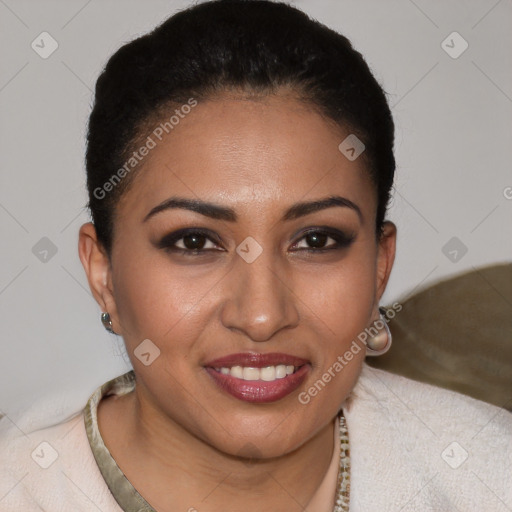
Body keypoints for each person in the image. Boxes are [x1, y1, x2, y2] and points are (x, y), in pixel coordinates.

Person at [1, 1, 510, 511]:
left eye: (315, 240)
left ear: (379, 266)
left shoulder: (488, 475)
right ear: (103, 271)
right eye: (195, 242)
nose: (262, 316)